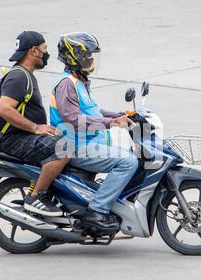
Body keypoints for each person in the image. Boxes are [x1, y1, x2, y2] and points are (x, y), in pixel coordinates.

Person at [50, 32, 139, 232]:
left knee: (130, 157)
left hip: (89, 143)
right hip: (75, 147)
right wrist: (112, 122)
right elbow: (73, 120)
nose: (90, 60)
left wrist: (120, 114)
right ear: (74, 57)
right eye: (87, 56)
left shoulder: (79, 81)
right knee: (128, 162)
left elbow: (93, 111)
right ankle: (97, 210)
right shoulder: (66, 84)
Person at [0, 31, 69, 217]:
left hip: (24, 136)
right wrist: (35, 128)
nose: (47, 54)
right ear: (34, 51)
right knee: (66, 148)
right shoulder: (19, 77)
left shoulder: (26, 75)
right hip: (16, 140)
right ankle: (37, 197)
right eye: (44, 49)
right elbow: (4, 109)